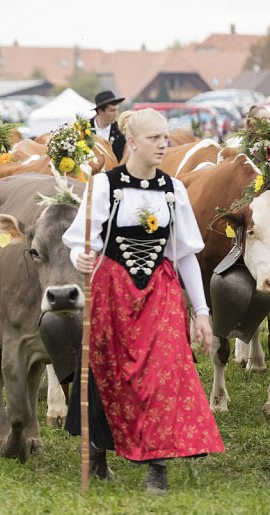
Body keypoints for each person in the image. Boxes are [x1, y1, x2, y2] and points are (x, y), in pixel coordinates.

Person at [62, 108, 224, 494]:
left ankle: (157, 466)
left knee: (163, 373)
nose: (163, 145)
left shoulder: (173, 191)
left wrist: (201, 312)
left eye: (165, 137)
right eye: (154, 138)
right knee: (109, 370)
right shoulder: (105, 186)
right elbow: (81, 244)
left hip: (160, 293)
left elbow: (184, 254)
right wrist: (80, 258)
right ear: (132, 142)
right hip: (112, 290)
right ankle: (99, 449)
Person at [91, 90, 126, 162]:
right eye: (112, 110)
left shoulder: (120, 134)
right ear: (100, 111)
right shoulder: (83, 129)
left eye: (117, 110)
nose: (116, 114)